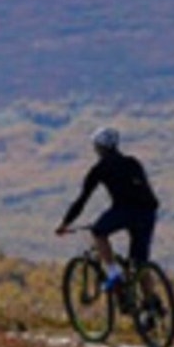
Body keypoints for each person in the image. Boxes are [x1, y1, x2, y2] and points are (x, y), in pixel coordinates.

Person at [55, 125, 159, 292]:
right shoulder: (133, 163)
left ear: (98, 148)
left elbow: (82, 200)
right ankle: (152, 307)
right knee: (140, 264)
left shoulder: (99, 169)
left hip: (125, 210)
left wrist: (65, 223)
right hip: (148, 213)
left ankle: (113, 273)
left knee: (98, 232)